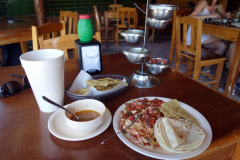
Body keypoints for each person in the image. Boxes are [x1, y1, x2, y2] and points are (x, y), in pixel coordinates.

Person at [186, 0, 232, 75]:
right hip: (195, 34)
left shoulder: (218, 4)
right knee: (227, 39)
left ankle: (206, 69)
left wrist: (229, 15)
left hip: (206, 34)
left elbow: (225, 17)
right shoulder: (204, 2)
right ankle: (229, 65)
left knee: (223, 45)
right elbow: (191, 16)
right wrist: (209, 15)